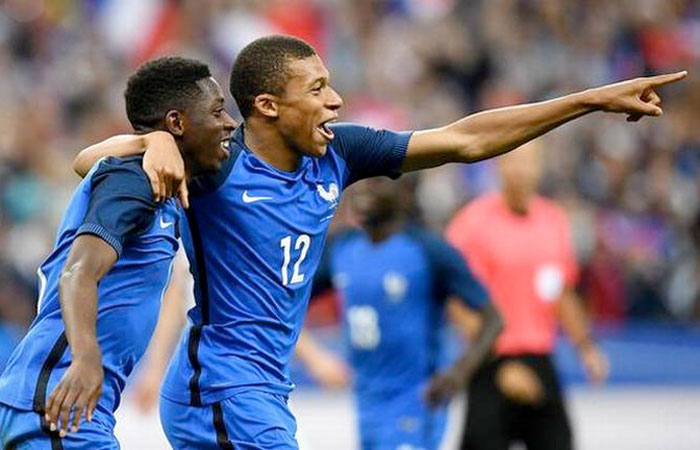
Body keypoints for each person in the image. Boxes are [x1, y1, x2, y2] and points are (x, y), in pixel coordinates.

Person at [73, 35, 684, 449]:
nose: (334, 100)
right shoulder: (216, 163)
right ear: (266, 105)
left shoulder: (338, 154)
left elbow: (465, 140)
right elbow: (86, 160)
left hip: (260, 384)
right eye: (315, 90)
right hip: (222, 384)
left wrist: (589, 100)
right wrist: (151, 141)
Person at [0, 57, 236, 448]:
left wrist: (151, 139)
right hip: (59, 401)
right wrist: (86, 358)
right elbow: (77, 273)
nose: (228, 122)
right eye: (216, 111)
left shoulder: (157, 181)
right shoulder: (135, 178)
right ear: (177, 122)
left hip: (68, 404)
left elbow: (83, 161)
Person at [295, 176, 502, 450]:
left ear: (405, 191)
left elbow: (493, 320)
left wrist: (458, 374)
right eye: (362, 178)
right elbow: (283, 304)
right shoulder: (342, 248)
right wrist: (314, 357)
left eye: (377, 180)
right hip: (366, 402)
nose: (365, 188)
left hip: (415, 401)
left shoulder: (428, 250)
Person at [445, 141, 608, 450]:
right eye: (514, 162)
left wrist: (586, 347)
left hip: (539, 359)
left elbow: (562, 293)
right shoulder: (472, 224)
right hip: (489, 360)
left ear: (540, 168)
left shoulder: (554, 221)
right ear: (499, 167)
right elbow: (457, 304)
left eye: (530, 162)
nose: (522, 171)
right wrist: (499, 366)